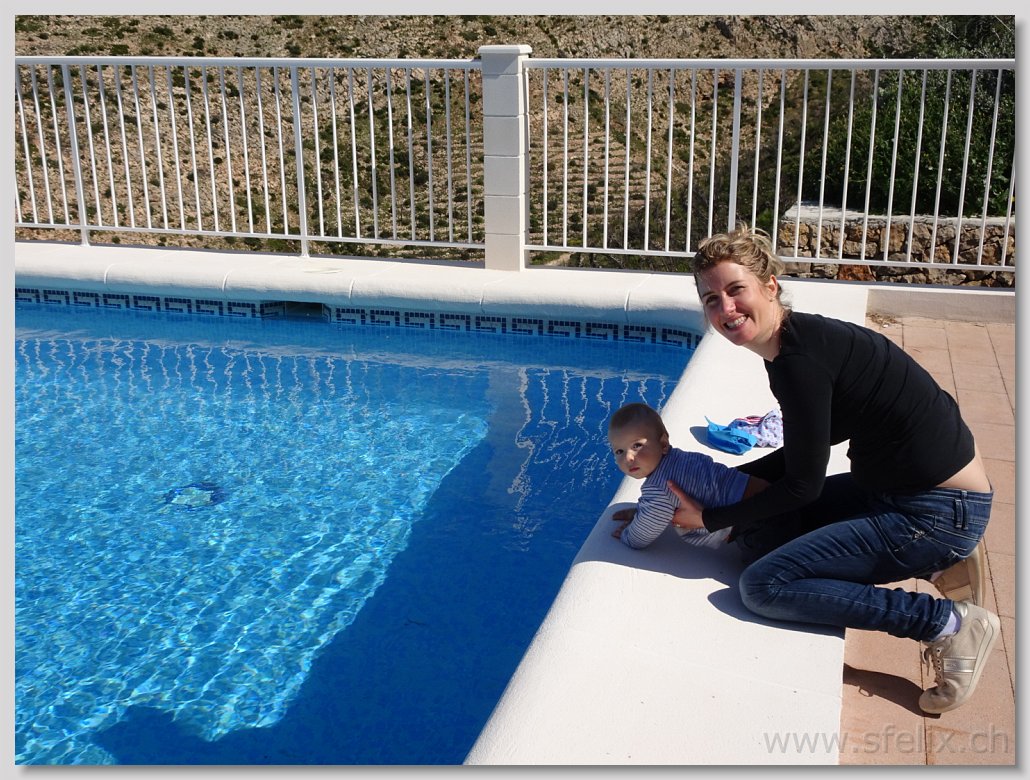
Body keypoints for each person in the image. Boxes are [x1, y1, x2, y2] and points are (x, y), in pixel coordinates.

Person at [666, 224, 997, 715]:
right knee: (761, 535)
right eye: (711, 299)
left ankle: (947, 622)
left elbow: (802, 484)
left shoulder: (798, 362)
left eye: (736, 290)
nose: (726, 308)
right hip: (905, 492)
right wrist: (709, 491)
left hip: (937, 511)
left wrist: (711, 518)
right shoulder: (800, 342)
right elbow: (808, 450)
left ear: (770, 285)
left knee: (763, 586)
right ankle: (937, 563)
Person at [607, 402, 768, 550]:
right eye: (619, 451)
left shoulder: (658, 488)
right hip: (762, 494)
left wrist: (627, 536)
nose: (628, 457)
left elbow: (640, 537)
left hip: (755, 526)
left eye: (637, 445)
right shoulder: (681, 458)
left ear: (663, 444)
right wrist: (641, 512)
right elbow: (657, 509)